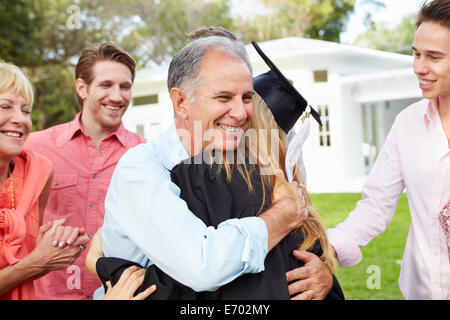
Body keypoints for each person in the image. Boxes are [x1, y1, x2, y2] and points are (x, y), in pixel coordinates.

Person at [92, 43, 345, 298]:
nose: (241, 112)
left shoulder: (241, 175)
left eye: (247, 97)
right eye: (223, 97)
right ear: (181, 102)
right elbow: (203, 267)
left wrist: (324, 279)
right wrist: (283, 215)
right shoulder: (144, 169)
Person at [327, 0, 450, 300]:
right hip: (422, 292)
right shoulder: (407, 124)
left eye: (434, 57)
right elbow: (376, 204)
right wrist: (328, 246)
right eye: (416, 54)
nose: (419, 67)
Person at [24, 43, 146, 300]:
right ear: (81, 87)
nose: (117, 96)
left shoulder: (145, 155)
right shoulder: (34, 147)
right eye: (106, 85)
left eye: (125, 87)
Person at [0, 62, 89, 299]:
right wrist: (37, 262)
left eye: (26, 110)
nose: (20, 119)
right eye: (5, 106)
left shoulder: (38, 172)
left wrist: (55, 247)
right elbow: (30, 265)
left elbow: (21, 269)